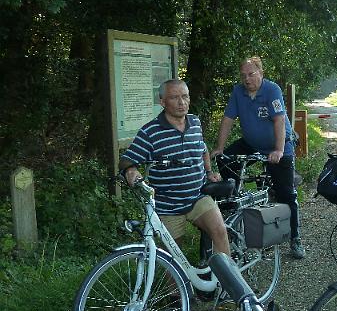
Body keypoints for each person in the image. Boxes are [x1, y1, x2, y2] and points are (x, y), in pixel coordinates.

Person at [119, 79, 231, 257]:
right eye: (174, 98)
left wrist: (208, 172)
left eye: (185, 96)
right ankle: (177, 285)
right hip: (167, 205)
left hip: (197, 196)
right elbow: (126, 159)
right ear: (162, 102)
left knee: (219, 231)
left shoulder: (195, 122)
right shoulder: (150, 132)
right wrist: (131, 170)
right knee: (173, 258)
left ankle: (226, 282)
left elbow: (202, 149)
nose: (182, 102)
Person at [212, 56, 305, 259]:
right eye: (243, 75)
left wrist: (279, 150)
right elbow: (228, 119)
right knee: (225, 159)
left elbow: (279, 120)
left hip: (278, 145)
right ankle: (233, 202)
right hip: (252, 143)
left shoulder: (271, 90)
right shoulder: (238, 92)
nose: (247, 79)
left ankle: (295, 237)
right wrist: (219, 147)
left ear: (261, 73)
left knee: (286, 194)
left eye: (251, 74)